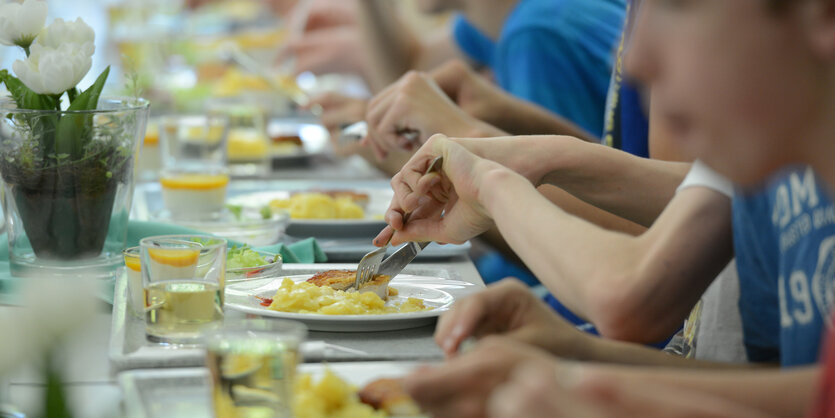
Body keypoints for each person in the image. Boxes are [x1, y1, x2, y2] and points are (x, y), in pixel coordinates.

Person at [376, 0, 835, 415]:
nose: (635, 61)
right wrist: (582, 361)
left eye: (680, 7)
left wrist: (492, 182)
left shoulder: (544, 28)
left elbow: (630, 294)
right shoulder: (757, 153)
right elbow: (805, 393)